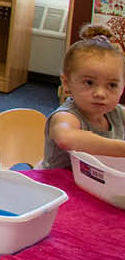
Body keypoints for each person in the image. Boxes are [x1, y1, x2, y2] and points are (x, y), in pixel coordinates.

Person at [39, 23, 125, 170]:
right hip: (58, 185)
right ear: (66, 83)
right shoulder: (66, 116)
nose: (100, 93)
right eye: (89, 83)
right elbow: (66, 138)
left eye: (112, 85)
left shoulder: (117, 113)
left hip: (99, 183)